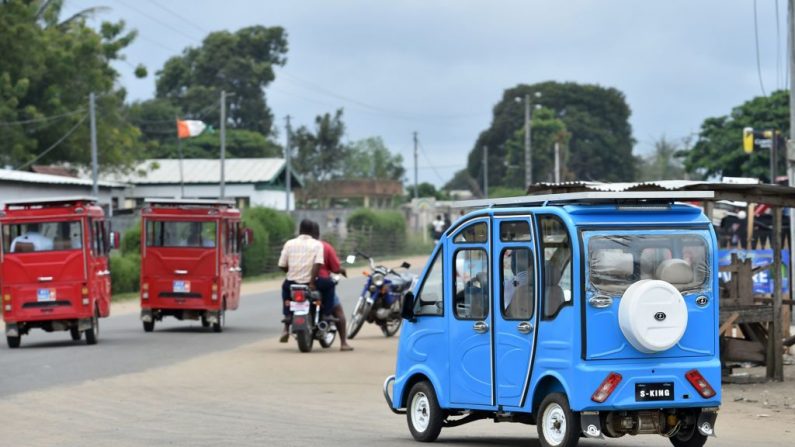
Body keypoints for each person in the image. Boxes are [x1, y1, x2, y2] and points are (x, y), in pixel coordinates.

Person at [277, 219, 325, 343]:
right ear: (312, 231)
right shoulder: (317, 245)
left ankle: (287, 322)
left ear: (300, 230)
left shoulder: (289, 243)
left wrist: (291, 271)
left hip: (291, 283)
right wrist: (312, 282)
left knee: (286, 294)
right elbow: (318, 264)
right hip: (308, 284)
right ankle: (323, 317)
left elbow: (281, 265)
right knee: (321, 295)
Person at [311, 222, 353, 351]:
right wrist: (342, 270)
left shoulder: (296, 245)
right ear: (318, 234)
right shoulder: (325, 247)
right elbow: (335, 267)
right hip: (321, 281)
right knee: (338, 310)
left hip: (299, 282)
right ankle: (343, 343)